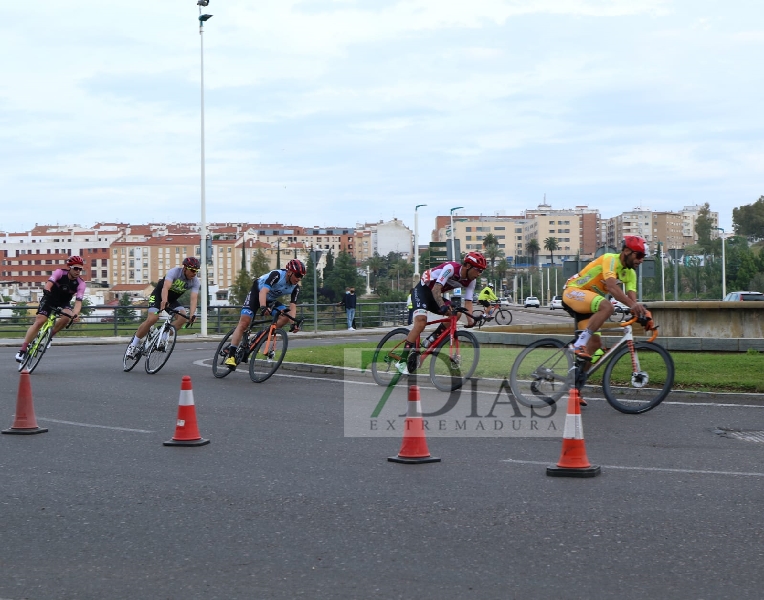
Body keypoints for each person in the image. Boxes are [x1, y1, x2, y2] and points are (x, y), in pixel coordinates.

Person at [561, 236, 649, 361]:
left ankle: (577, 378)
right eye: (639, 256)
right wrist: (633, 306)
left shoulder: (630, 274)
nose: (641, 261)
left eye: (643, 257)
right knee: (607, 307)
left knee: (595, 345)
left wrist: (644, 315)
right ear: (627, 251)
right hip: (574, 291)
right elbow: (612, 287)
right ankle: (578, 344)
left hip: (589, 304)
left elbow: (632, 302)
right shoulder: (610, 259)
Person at [403, 251, 484, 373]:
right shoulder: (450, 268)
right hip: (422, 291)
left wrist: (471, 321)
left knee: (456, 313)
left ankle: (430, 340)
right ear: (468, 266)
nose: (479, 274)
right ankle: (402, 361)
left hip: (434, 296)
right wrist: (442, 306)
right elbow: (436, 289)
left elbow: (468, 302)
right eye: (478, 270)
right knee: (421, 323)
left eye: (481, 271)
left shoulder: (471, 281)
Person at [223, 258, 305, 368]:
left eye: (301, 276)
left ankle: (262, 334)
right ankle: (231, 356)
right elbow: (263, 291)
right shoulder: (277, 275)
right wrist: (263, 307)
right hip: (257, 294)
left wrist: (293, 323)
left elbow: (292, 306)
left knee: (286, 316)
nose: (299, 278)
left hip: (270, 300)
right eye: (297, 275)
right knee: (244, 323)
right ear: (289, 272)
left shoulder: (295, 288)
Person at [125, 257, 200, 358]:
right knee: (153, 318)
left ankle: (163, 338)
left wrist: (192, 314)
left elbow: (194, 299)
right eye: (192, 270)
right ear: (185, 268)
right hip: (158, 296)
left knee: (182, 317)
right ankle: (133, 345)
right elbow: (165, 287)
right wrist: (164, 301)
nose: (194, 273)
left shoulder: (195, 281)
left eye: (196, 271)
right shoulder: (174, 272)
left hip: (172, 300)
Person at [16, 256, 86, 363]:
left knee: (67, 317)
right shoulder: (59, 273)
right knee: (40, 321)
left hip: (63, 302)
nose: (78, 271)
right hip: (49, 298)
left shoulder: (81, 283)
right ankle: (23, 349)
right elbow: (48, 284)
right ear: (69, 267)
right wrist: (47, 290)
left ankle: (49, 336)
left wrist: (75, 314)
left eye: (80, 269)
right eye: (76, 268)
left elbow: (78, 301)